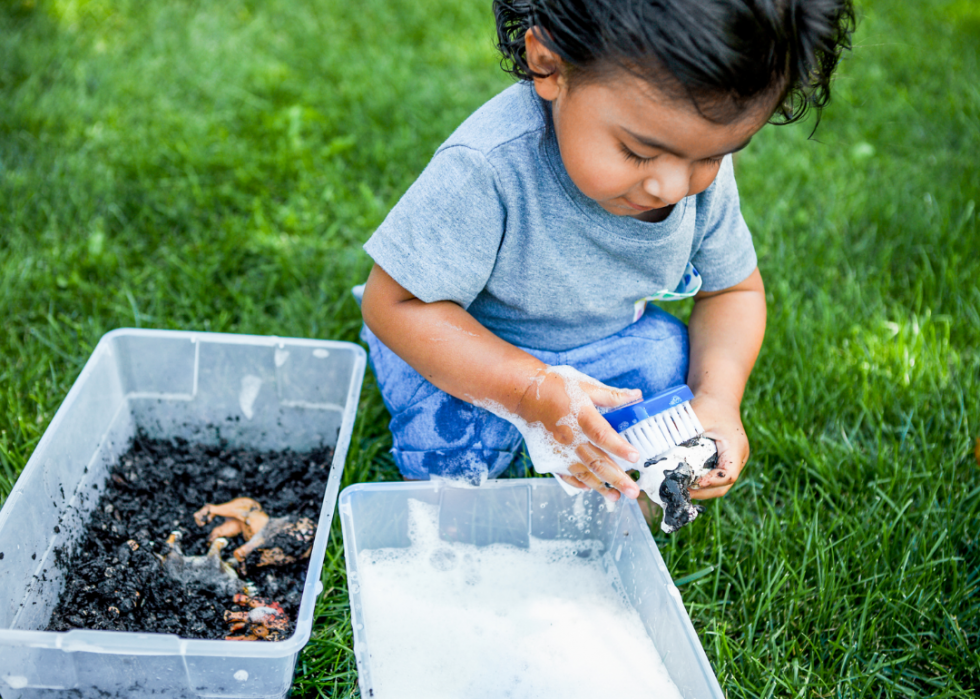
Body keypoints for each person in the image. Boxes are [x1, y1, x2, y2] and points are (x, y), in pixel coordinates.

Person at [357, 0, 855, 507]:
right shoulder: (490, 165)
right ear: (549, 64)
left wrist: (718, 399)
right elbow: (394, 305)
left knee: (669, 362)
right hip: (476, 344)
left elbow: (735, 290)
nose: (671, 185)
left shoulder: (688, 176)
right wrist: (531, 393)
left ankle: (612, 472)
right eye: (639, 152)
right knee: (449, 451)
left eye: (710, 155)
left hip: (603, 344)